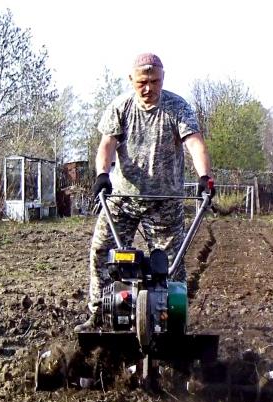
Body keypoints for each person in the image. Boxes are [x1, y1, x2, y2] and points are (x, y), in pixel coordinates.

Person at [75, 52, 214, 332]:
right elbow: (106, 145)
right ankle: (98, 315)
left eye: (155, 81)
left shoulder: (176, 107)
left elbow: (194, 142)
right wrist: (102, 174)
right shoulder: (121, 107)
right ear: (131, 80)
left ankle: (172, 321)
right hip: (123, 200)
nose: (149, 88)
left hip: (164, 201)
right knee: (101, 252)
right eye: (142, 82)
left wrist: (205, 177)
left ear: (163, 79)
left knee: (171, 266)